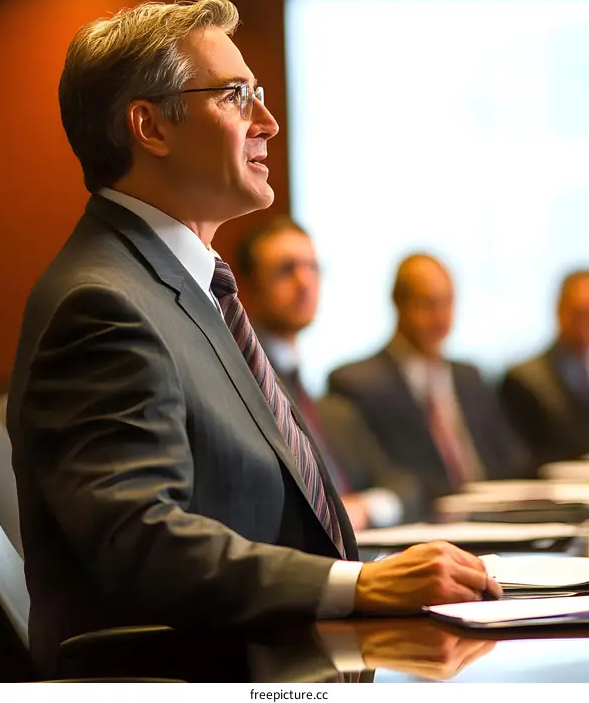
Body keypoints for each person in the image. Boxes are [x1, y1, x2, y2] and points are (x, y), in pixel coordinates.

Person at [6, 0, 501, 675]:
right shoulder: (103, 302)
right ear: (150, 126)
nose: (267, 123)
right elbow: (140, 540)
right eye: (237, 97)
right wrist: (361, 585)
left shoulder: (177, 287)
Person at [238, 215, 425, 528]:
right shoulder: (242, 386)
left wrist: (365, 509)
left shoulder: (330, 409)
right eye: (287, 270)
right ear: (246, 284)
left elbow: (406, 486)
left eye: (313, 268)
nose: (305, 282)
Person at [328, 254, 532, 505]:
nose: (440, 317)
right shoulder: (359, 384)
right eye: (428, 303)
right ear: (398, 304)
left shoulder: (469, 377)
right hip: (428, 519)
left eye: (447, 302)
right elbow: (384, 474)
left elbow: (513, 459)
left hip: (496, 512)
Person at [500, 270, 589, 468]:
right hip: (555, 489)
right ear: (560, 310)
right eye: (580, 312)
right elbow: (520, 457)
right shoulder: (524, 380)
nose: (586, 322)